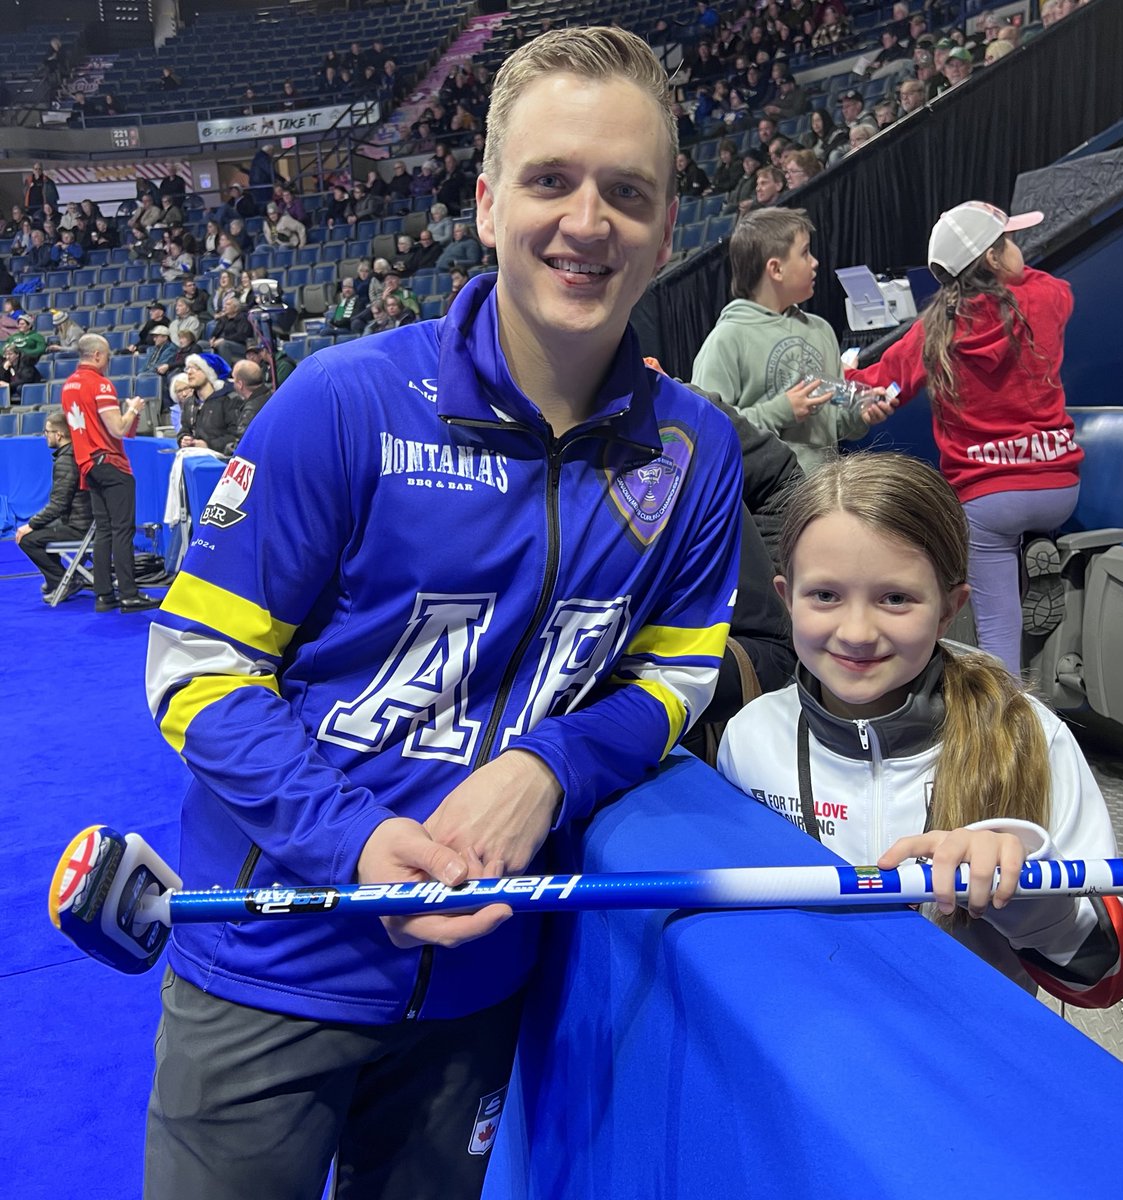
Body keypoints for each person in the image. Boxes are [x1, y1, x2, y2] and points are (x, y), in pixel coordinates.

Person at [142, 25, 742, 1199]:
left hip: (481, 986)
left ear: (672, 224)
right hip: (274, 958)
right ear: (484, 203)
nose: (588, 221)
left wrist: (552, 767)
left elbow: (678, 677)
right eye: (551, 179)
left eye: (628, 190)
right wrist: (355, 845)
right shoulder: (345, 402)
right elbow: (193, 666)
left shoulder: (696, 449)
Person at [717, 452, 1123, 1004]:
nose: (856, 632)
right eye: (825, 595)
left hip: (970, 1061)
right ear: (786, 597)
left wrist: (1034, 905)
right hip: (816, 1048)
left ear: (949, 609)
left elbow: (1113, 976)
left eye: (896, 598)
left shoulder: (1028, 738)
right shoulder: (751, 736)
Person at [846, 203, 1078, 674]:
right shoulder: (1046, 298)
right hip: (1058, 487)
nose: (1019, 248)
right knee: (1025, 524)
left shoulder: (932, 331)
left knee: (996, 630)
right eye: (1008, 242)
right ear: (993, 259)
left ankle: (1004, 723)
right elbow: (1051, 286)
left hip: (988, 500)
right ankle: (1039, 552)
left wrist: (849, 371)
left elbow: (880, 385)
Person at [691, 207, 894, 474]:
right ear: (775, 269)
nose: (815, 262)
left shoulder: (820, 330)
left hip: (822, 494)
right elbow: (705, 432)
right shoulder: (726, 340)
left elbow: (833, 423)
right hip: (764, 506)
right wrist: (780, 411)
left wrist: (860, 413)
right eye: (805, 252)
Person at [59, 334, 160, 613]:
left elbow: (102, 428)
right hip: (111, 464)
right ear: (98, 356)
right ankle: (129, 594)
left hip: (88, 465)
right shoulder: (100, 384)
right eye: (107, 357)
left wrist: (128, 418)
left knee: (104, 531)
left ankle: (104, 595)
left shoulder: (68, 386)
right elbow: (117, 429)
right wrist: (133, 409)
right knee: (122, 531)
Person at [15, 410, 94, 601]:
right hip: (83, 520)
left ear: (58, 435)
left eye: (47, 431)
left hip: (78, 526)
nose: (45, 435)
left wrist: (31, 525)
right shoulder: (72, 454)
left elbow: (58, 505)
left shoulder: (66, 461)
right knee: (35, 531)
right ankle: (56, 579)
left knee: (26, 539)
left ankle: (62, 581)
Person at [176, 352, 239, 452]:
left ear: (209, 373)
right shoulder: (189, 402)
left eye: (196, 368)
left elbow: (236, 436)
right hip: (194, 458)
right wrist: (183, 439)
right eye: (188, 368)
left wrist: (208, 445)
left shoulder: (228, 400)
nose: (189, 372)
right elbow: (184, 429)